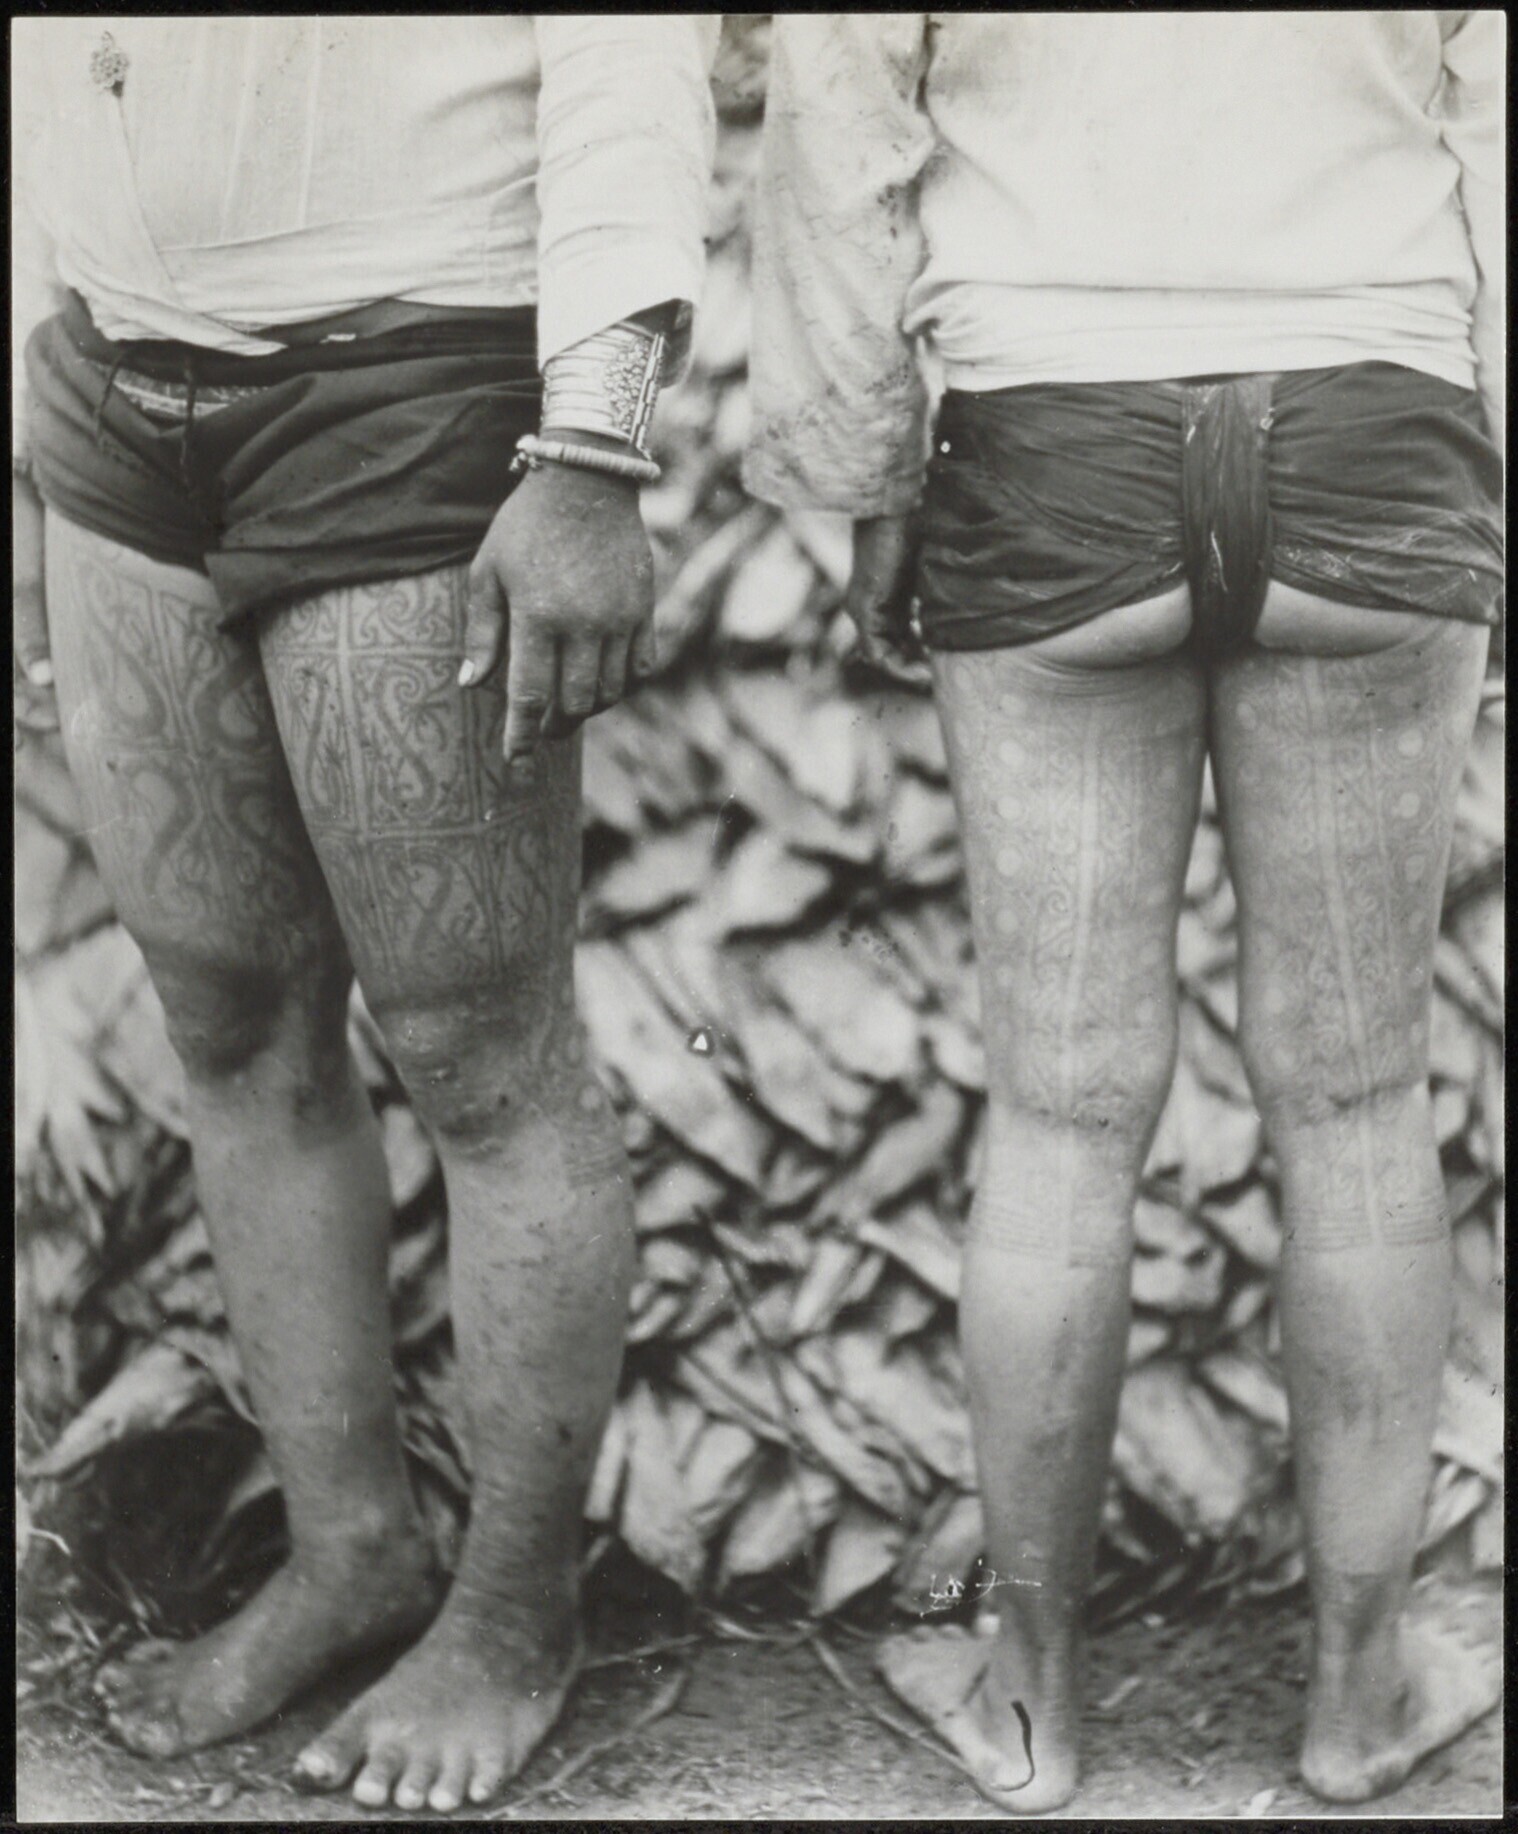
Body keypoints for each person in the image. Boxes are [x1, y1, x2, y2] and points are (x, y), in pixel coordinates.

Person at [745, 11, 1502, 1814]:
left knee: (1059, 1110)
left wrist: (864, 475)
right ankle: (1356, 1695)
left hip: (1051, 440)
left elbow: (838, 116)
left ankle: (1030, 1701)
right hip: (1372, 424)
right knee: (1357, 1095)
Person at [12, 15, 715, 1813]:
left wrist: (590, 450)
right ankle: (350, 1553)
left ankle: (513, 1615)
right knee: (231, 1016)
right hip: (112, 384)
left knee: (480, 1051)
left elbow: (628, 61)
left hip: (408, 383)